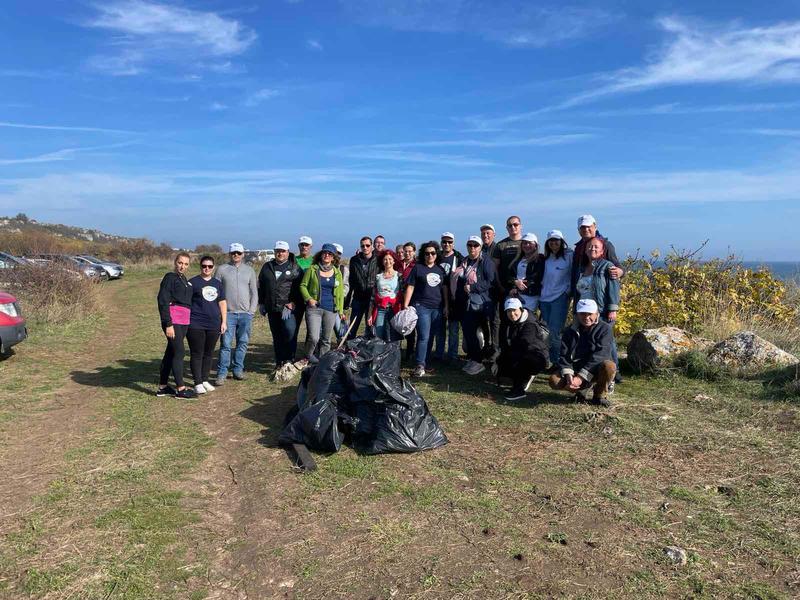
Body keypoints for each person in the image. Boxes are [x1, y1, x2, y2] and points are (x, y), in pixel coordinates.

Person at [573, 237, 621, 388]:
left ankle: (611, 375)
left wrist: (612, 308)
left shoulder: (608, 266)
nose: (592, 249)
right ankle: (589, 373)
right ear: (585, 249)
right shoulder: (582, 268)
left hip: (601, 310)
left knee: (607, 343)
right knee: (585, 339)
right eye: (590, 247)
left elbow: (614, 288)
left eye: (596, 247)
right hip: (583, 311)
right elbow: (578, 291)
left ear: (602, 251)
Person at [549, 299, 616, 407]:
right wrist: (568, 375)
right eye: (582, 314)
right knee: (554, 381)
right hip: (577, 367)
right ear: (577, 314)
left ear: (596, 314)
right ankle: (581, 390)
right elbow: (564, 355)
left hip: (596, 368)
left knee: (610, 366)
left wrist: (580, 377)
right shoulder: (569, 330)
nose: (586, 317)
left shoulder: (605, 329)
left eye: (590, 314)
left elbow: (601, 355)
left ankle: (599, 396)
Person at [449, 235, 496, 375]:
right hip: (467, 303)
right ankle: (475, 358)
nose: (472, 248)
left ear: (480, 247)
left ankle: (478, 361)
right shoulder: (465, 261)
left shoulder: (485, 261)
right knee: (469, 332)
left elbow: (490, 281)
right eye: (470, 245)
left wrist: (473, 287)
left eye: (475, 245)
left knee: (474, 331)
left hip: (480, 303)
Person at [215, 243, 258, 385]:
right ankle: (222, 373)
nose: (236, 255)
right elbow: (215, 291)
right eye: (233, 253)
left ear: (243, 254)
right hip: (228, 314)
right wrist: (220, 312)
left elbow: (254, 292)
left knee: (243, 342)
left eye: (239, 253)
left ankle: (238, 369)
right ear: (230, 253)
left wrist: (251, 311)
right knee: (226, 344)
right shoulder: (222, 269)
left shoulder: (250, 270)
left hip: (245, 314)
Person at [403, 241, 448, 377]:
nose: (430, 255)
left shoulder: (440, 270)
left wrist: (446, 305)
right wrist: (406, 304)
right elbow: (410, 286)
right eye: (427, 253)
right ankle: (419, 365)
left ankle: (426, 362)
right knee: (423, 336)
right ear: (423, 254)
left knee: (431, 336)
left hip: (437, 308)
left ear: (436, 254)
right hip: (421, 306)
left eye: (433, 253)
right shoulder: (418, 268)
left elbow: (444, 289)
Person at [156, 252, 195, 398]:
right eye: (180, 263)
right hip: (173, 321)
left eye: (185, 264)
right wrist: (168, 323)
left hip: (184, 321)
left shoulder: (184, 279)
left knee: (170, 353)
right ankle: (181, 389)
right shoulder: (169, 278)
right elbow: (163, 300)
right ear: (175, 262)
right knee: (179, 352)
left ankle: (163, 387)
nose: (182, 266)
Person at [258, 241, 302, 369]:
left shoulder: (294, 267)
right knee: (276, 335)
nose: (280, 253)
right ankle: (279, 361)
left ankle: (289, 359)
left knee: (289, 332)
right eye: (278, 251)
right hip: (272, 307)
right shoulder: (267, 267)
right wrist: (261, 303)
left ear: (288, 252)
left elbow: (301, 288)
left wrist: (294, 302)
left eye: (283, 251)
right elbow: (261, 286)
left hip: (287, 308)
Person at [495, 298, 549, 401]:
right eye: (509, 311)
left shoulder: (530, 324)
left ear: (521, 309)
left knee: (518, 358)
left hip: (536, 357)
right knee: (501, 360)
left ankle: (519, 389)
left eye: (514, 310)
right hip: (520, 352)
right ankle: (517, 378)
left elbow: (524, 345)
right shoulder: (510, 322)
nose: (512, 314)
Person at [187, 256, 227, 395]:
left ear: (213, 267)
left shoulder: (217, 283)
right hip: (196, 323)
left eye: (210, 266)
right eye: (204, 266)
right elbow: (186, 302)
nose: (207, 268)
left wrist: (224, 321)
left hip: (214, 323)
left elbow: (222, 302)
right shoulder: (193, 282)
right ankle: (197, 382)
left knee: (208, 353)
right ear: (200, 266)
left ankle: (204, 380)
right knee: (197, 353)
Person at [300, 243, 346, 362]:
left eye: (330, 253)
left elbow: (340, 294)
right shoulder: (313, 269)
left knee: (326, 339)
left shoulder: (337, 273)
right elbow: (303, 286)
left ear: (333, 257)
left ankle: (323, 362)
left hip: (331, 309)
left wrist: (340, 311)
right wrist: (309, 299)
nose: (327, 255)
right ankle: (308, 355)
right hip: (314, 309)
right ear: (321, 255)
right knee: (314, 337)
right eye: (325, 252)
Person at [539, 230, 573, 366]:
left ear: (562, 242)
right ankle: (549, 360)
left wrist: (568, 292)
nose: (554, 243)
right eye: (551, 240)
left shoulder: (569, 255)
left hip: (559, 298)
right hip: (544, 299)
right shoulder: (546, 259)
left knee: (555, 331)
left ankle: (558, 361)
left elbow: (574, 273)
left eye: (557, 240)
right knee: (546, 332)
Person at [433, 232, 463, 362]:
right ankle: (439, 354)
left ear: (453, 243)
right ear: (441, 243)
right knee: (439, 329)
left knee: (453, 330)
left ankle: (453, 356)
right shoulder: (436, 257)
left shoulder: (459, 258)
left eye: (449, 242)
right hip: (437, 297)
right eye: (444, 242)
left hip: (453, 300)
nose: (447, 244)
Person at [346, 236, 378, 338]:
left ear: (372, 246)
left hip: (371, 299)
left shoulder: (378, 259)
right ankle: (349, 349)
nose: (365, 248)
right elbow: (351, 280)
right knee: (352, 327)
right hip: (358, 298)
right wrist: (347, 300)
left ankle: (369, 351)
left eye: (367, 245)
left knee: (370, 327)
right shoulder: (354, 260)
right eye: (362, 246)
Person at [367, 250, 402, 341]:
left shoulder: (399, 276)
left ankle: (393, 354)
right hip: (380, 309)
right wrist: (369, 314)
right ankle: (380, 354)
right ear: (382, 262)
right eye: (385, 259)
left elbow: (403, 293)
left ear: (394, 261)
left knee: (393, 334)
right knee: (379, 334)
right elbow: (373, 297)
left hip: (394, 309)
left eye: (390, 259)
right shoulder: (378, 277)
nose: (388, 261)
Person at [478, 224, 500, 359]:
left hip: (494, 291)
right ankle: (486, 346)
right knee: (483, 320)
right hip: (482, 292)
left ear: (493, 235)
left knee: (495, 321)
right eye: (483, 234)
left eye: (488, 233)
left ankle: (495, 349)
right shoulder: (480, 249)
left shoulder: (497, 249)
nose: (485, 236)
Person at [508, 232, 544, 313]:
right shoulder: (517, 260)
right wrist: (514, 283)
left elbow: (535, 277)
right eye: (524, 243)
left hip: (531, 296)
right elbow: (510, 276)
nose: (527, 245)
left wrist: (518, 288)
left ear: (535, 245)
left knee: (526, 319)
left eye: (530, 243)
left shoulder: (539, 259)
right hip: (516, 296)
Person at [294, 235, 314, 342]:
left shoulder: (315, 261)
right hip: (296, 298)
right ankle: (291, 353)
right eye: (302, 245)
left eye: (306, 245)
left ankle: (308, 352)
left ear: (311, 246)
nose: (304, 247)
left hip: (310, 298)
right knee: (293, 327)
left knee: (311, 327)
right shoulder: (293, 260)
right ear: (298, 246)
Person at [400, 242, 417, 361]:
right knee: (398, 326)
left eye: (410, 251)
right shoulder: (398, 264)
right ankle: (397, 352)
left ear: (414, 252)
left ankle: (410, 352)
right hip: (398, 300)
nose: (407, 253)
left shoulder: (417, 265)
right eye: (405, 251)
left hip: (412, 300)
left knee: (410, 329)